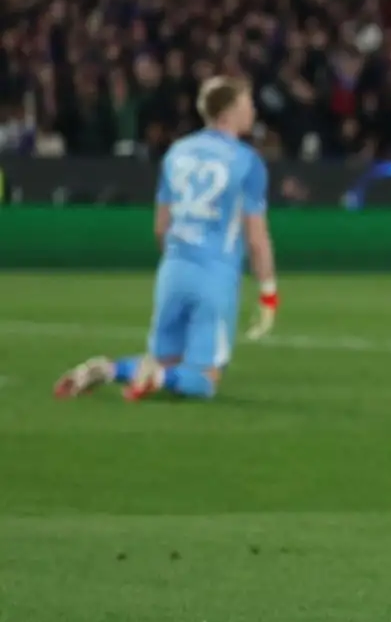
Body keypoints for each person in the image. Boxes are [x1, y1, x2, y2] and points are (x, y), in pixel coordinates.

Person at [54, 77, 278, 402]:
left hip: (173, 269)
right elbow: (256, 237)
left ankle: (108, 369)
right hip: (214, 274)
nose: (253, 110)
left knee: (165, 359)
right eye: (247, 103)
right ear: (228, 112)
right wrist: (268, 293)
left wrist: (177, 259)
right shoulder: (247, 161)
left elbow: (161, 226)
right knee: (205, 379)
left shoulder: (178, 151)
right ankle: (155, 378)